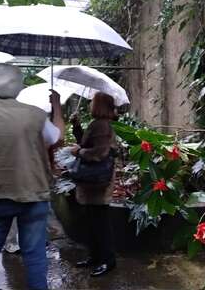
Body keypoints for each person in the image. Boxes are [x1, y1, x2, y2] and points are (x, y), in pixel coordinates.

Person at [0, 63, 64, 290]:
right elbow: (56, 137)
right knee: (35, 255)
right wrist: (56, 106)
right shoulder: (34, 114)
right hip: (33, 193)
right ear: (18, 85)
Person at [70, 92, 117, 277]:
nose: (90, 104)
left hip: (98, 181)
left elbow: (99, 152)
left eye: (92, 101)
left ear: (99, 105)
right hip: (93, 181)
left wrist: (79, 152)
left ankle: (107, 260)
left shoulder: (102, 125)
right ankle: (95, 257)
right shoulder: (98, 124)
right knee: (92, 220)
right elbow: (86, 142)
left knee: (100, 222)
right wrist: (76, 126)